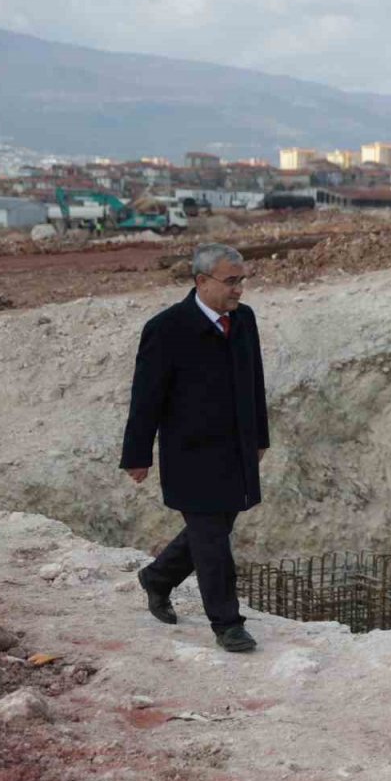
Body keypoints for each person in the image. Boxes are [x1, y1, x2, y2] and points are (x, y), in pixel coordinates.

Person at [119, 243, 269, 652]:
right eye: (231, 281)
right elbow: (146, 397)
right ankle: (227, 624)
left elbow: (254, 380)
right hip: (191, 454)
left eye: (242, 281)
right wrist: (137, 455)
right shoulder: (167, 328)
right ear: (202, 282)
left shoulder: (244, 320)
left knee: (215, 529)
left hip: (235, 450)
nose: (239, 290)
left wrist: (259, 437)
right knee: (212, 542)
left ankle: (157, 578)